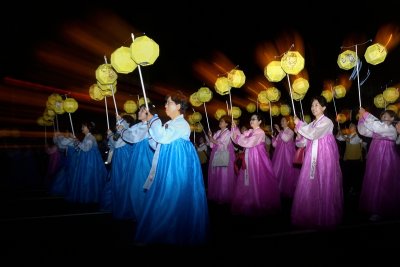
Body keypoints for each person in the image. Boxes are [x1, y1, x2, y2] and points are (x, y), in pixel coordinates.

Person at [134, 91, 209, 245]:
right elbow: (156, 144)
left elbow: (162, 137)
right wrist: (151, 126)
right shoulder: (171, 124)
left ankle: (172, 230)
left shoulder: (181, 124)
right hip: (168, 165)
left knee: (172, 197)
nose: (165, 105)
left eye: (168, 102)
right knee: (165, 196)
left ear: (178, 106)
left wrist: (153, 119)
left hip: (176, 168)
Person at [291, 95, 343, 230]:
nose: (313, 108)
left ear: (323, 108)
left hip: (324, 159)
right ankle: (312, 212)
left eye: (317, 105)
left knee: (324, 183)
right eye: (312, 105)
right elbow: (304, 142)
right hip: (311, 158)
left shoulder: (327, 122)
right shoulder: (312, 124)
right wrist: (298, 135)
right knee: (311, 183)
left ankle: (325, 214)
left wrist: (300, 124)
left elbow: (314, 134)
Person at [230, 113, 281, 217]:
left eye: (254, 119)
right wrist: (234, 129)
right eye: (251, 119)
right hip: (248, 158)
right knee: (246, 179)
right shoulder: (249, 131)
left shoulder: (260, 132)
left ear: (260, 121)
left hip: (257, 161)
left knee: (256, 180)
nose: (251, 121)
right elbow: (237, 140)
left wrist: (239, 136)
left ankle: (257, 202)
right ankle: (247, 200)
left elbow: (248, 142)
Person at [357, 108, 400, 221]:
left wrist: (365, 114)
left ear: (392, 119)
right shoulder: (379, 128)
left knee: (384, 182)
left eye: (386, 116)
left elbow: (377, 126)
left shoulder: (391, 130)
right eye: (382, 116)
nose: (383, 118)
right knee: (375, 181)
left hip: (387, 160)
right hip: (375, 159)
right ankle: (375, 209)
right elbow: (364, 131)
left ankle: (382, 209)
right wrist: (361, 119)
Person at [119, 104, 160, 222]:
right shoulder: (140, 124)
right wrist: (120, 124)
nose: (139, 112)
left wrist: (122, 130)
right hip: (137, 155)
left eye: (142, 110)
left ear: (148, 112)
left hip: (144, 156)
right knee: (133, 181)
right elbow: (129, 131)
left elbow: (133, 137)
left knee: (139, 181)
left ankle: (144, 212)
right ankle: (138, 211)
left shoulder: (148, 125)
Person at [66, 121, 107, 204]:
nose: (82, 128)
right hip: (87, 160)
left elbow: (86, 148)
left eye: (83, 127)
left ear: (88, 128)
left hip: (90, 162)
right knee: (86, 177)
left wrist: (76, 140)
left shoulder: (90, 137)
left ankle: (90, 195)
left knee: (88, 177)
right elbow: (81, 148)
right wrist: (76, 142)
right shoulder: (87, 137)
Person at [105, 114, 136, 219]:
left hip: (124, 158)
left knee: (123, 181)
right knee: (117, 180)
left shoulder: (127, 130)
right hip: (119, 158)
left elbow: (117, 144)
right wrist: (110, 136)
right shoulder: (121, 131)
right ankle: (118, 203)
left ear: (126, 122)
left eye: (122, 120)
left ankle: (125, 205)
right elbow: (114, 145)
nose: (119, 122)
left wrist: (111, 136)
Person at [207, 115, 236, 205]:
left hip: (224, 155)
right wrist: (210, 136)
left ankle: (224, 195)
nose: (220, 122)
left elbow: (223, 144)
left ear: (227, 123)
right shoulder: (218, 132)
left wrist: (212, 140)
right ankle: (217, 193)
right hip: (216, 155)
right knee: (216, 174)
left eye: (222, 121)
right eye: (220, 121)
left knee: (224, 175)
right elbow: (211, 145)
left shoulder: (229, 133)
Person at [271, 116, 300, 200]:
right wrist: (273, 137)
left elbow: (286, 139)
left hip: (288, 156)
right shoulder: (281, 132)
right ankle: (278, 190)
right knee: (278, 171)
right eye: (281, 121)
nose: (281, 122)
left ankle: (288, 192)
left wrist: (279, 131)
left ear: (287, 122)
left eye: (283, 121)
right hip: (279, 157)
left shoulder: (290, 131)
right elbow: (274, 145)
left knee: (288, 173)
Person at [336, 122, 364, 196]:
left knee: (356, 175)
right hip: (348, 158)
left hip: (356, 159)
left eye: (352, 126)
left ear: (355, 128)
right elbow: (338, 137)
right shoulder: (348, 135)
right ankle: (350, 188)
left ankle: (356, 189)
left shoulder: (357, 136)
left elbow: (350, 141)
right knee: (349, 175)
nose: (350, 127)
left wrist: (342, 134)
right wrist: (339, 131)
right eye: (350, 126)